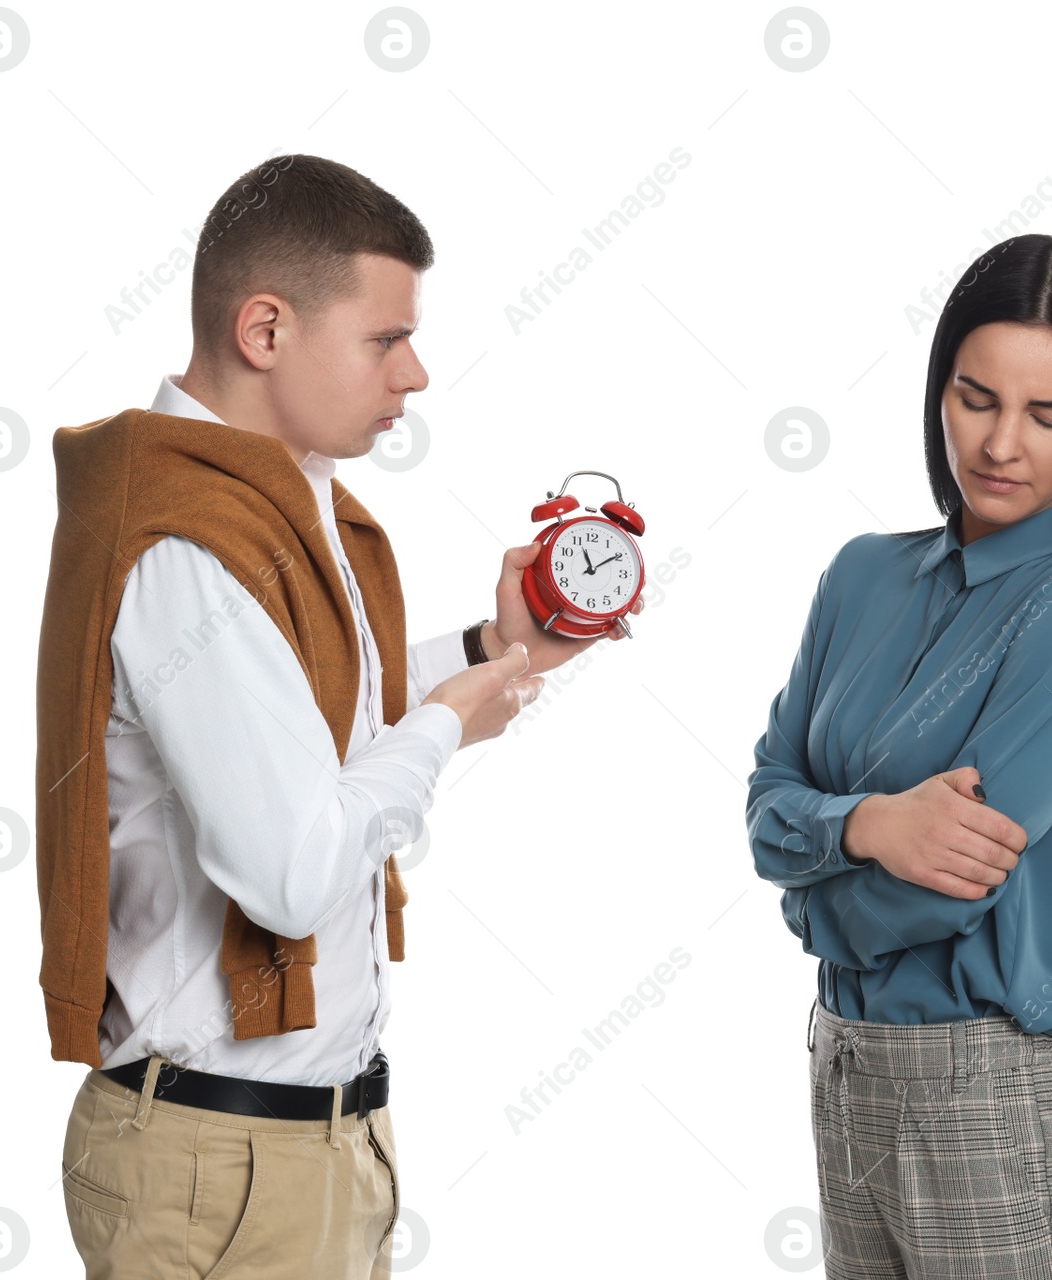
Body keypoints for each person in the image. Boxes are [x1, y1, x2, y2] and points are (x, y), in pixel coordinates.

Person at [34, 152, 641, 1278]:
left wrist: (487, 652)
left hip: (300, 1147)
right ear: (264, 329)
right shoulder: (185, 542)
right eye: (383, 337)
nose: (414, 372)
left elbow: (304, 714)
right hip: (227, 1165)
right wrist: (450, 718)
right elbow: (294, 865)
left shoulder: (262, 499)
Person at [747, 234, 1052, 1279]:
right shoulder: (859, 576)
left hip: (995, 1096)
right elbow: (765, 797)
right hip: (841, 1068)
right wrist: (869, 826)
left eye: (1048, 414)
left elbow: (950, 889)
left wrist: (805, 895)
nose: (1001, 443)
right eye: (976, 398)